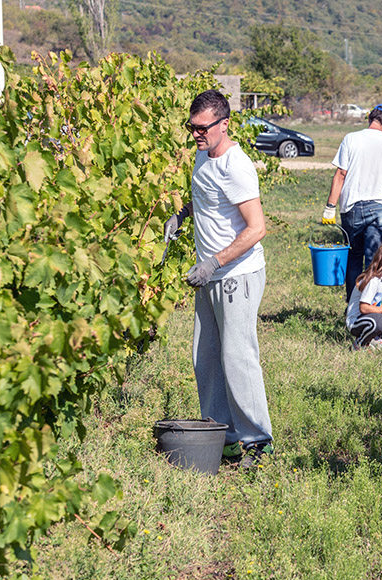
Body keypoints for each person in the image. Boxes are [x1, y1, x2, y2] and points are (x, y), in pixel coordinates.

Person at [163, 89, 272, 469]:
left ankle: (258, 441)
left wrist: (213, 263)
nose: (196, 134)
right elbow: (207, 197)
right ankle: (222, 436)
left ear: (225, 125)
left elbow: (257, 228)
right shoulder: (203, 155)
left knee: (238, 357)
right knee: (205, 358)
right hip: (209, 276)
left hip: (236, 274)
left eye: (203, 128)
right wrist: (182, 214)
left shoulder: (236, 166)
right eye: (192, 127)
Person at [321, 104, 382, 301]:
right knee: (375, 260)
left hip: (352, 208)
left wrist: (330, 207)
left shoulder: (351, 139)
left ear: (370, 118)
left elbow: (341, 174)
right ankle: (371, 305)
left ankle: (353, 305)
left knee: (353, 258)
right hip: (379, 209)